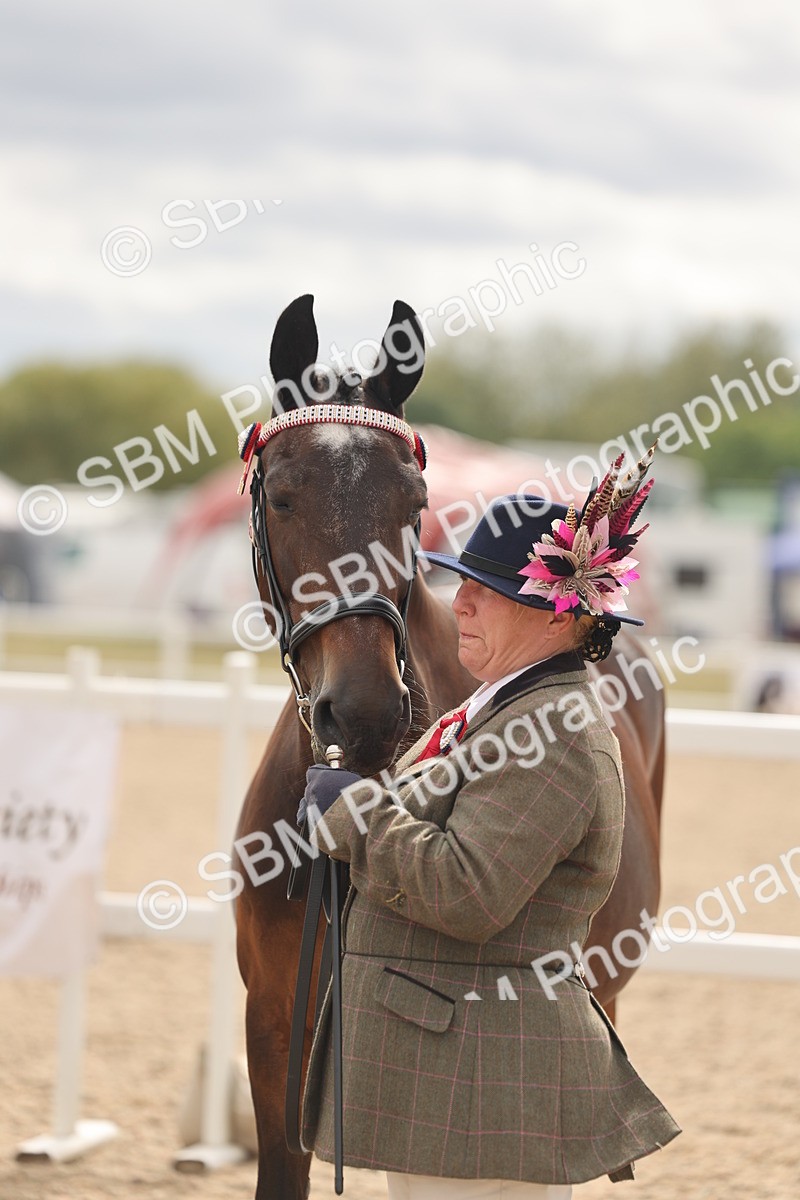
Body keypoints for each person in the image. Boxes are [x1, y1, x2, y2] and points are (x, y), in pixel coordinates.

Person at [299, 449, 680, 1199]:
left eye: (483, 590)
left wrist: (354, 808)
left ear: (549, 611)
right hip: (455, 1081)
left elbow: (467, 890)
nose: (457, 604)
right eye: (459, 584)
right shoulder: (506, 711)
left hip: (482, 1089)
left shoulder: (557, 732)